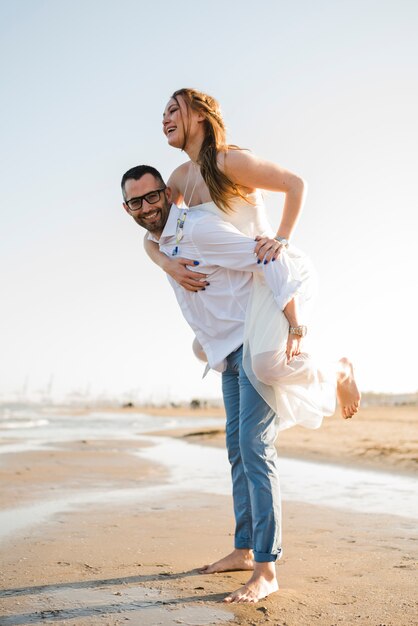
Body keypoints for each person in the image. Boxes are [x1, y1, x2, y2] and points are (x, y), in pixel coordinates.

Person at [120, 164, 360, 604]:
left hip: (253, 341)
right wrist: (163, 262)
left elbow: (270, 259)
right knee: (236, 447)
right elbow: (148, 242)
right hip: (226, 351)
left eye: (152, 196)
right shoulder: (159, 240)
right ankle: (244, 549)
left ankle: (267, 567)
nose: (145, 207)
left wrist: (295, 327)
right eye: (135, 201)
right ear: (127, 208)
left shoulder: (200, 228)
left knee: (254, 446)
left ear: (170, 194)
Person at [145, 88, 360, 424]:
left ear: (200, 113)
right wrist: (166, 263)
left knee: (265, 364)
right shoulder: (179, 179)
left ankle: (339, 371)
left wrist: (282, 239)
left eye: (173, 110)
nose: (165, 119)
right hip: (243, 287)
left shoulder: (229, 162)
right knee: (203, 348)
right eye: (163, 114)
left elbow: (295, 183)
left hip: (275, 270)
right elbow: (155, 234)